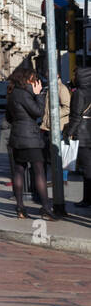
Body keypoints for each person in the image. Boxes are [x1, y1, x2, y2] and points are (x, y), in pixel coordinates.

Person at [6, 61, 53, 221]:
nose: (35, 82)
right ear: (25, 79)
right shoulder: (25, 94)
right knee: (39, 171)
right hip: (30, 138)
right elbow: (38, 111)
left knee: (18, 171)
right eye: (33, 79)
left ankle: (20, 207)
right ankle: (46, 207)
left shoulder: (12, 93)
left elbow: (8, 117)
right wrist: (39, 94)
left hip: (16, 138)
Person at [39, 72, 73, 214]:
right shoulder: (51, 88)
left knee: (59, 155)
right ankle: (58, 179)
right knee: (51, 156)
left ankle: (61, 180)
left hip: (58, 126)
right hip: (50, 126)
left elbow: (67, 107)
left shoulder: (61, 88)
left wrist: (54, 115)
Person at [67, 64, 91, 207]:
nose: (74, 78)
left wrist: (68, 133)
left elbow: (75, 116)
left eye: (75, 75)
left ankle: (87, 199)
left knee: (87, 169)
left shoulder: (79, 93)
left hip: (83, 135)